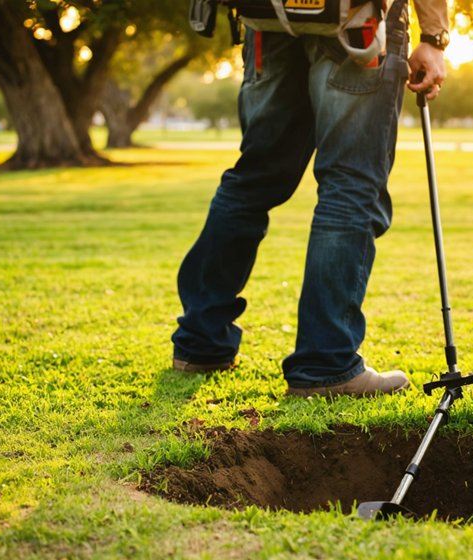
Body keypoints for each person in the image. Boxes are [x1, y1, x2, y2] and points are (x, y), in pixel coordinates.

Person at [172, 0, 450, 397]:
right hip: (358, 25)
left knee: (253, 179)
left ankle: (201, 343)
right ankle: (326, 362)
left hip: (267, 21)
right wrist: (434, 35)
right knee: (349, 186)